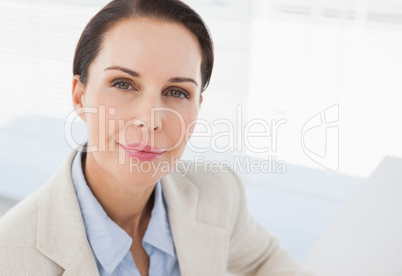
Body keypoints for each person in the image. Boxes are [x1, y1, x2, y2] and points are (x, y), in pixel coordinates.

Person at [0, 0, 312, 275]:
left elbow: (265, 262)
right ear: (80, 97)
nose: (151, 120)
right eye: (123, 84)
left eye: (177, 92)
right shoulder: (11, 257)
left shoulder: (218, 194)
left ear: (197, 108)